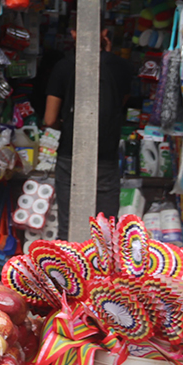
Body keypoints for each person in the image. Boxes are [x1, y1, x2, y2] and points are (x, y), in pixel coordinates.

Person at [44, 27, 132, 239]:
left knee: (69, 226)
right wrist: (107, 54)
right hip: (106, 157)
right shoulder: (121, 67)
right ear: (106, 33)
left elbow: (50, 119)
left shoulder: (65, 67)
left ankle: (70, 270)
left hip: (71, 155)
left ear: (74, 33)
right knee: (106, 230)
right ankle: (102, 271)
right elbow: (121, 105)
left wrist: (66, 125)